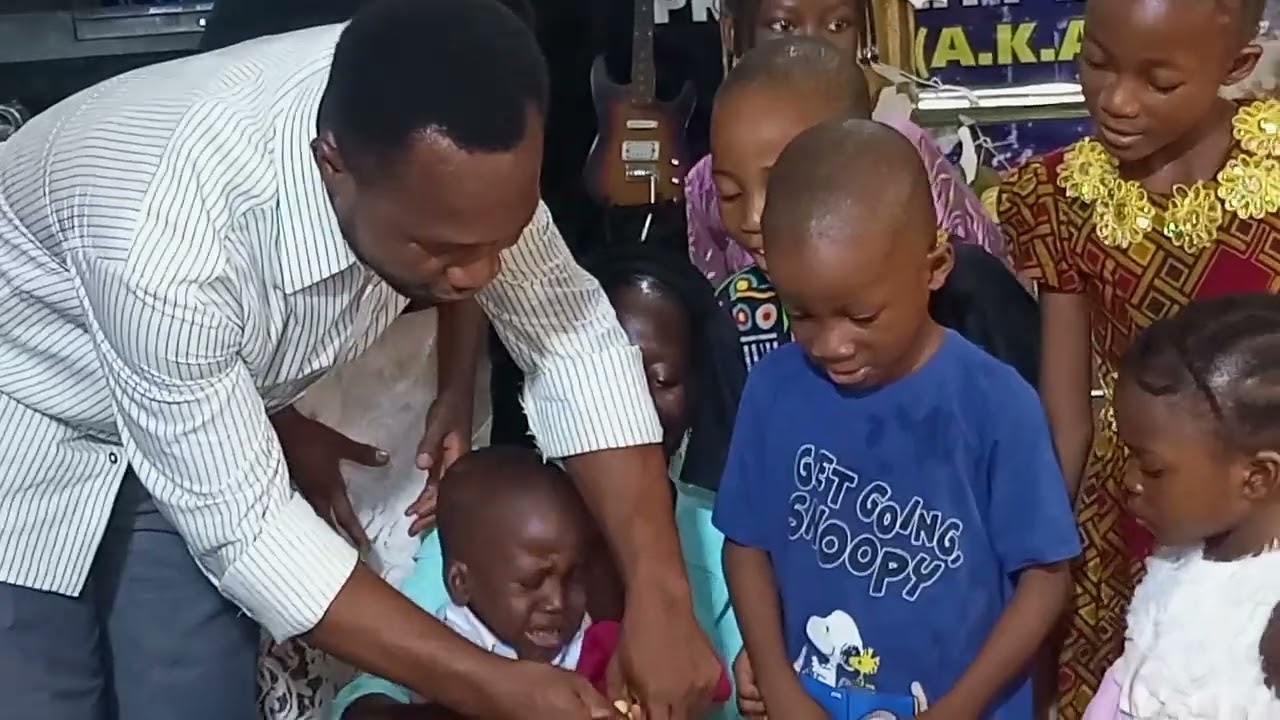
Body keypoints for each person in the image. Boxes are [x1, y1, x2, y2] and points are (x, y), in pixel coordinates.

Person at [0, 2, 721, 719]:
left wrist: (662, 599)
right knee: (42, 696)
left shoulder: (451, 141)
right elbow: (250, 532)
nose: (476, 277)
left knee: (190, 698)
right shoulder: (164, 240)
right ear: (333, 165)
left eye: (501, 239)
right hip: (26, 416)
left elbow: (575, 349)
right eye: (440, 250)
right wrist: (490, 685)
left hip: (185, 409)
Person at [716, 118, 1080, 719]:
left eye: (860, 315)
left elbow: (1044, 579)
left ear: (933, 267)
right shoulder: (775, 387)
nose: (831, 345)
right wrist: (778, 681)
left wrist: (959, 708)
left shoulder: (995, 402)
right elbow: (745, 545)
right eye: (802, 314)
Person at [996, 0, 1273, 714]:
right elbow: (1067, 415)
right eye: (1096, 62)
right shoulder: (1063, 197)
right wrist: (1041, 550)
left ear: (1236, 67)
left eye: (1159, 81)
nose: (1116, 100)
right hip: (1128, 509)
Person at [708, 37, 1040, 385]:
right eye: (729, 194)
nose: (752, 218)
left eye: (780, 185)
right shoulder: (737, 312)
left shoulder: (967, 291)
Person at [686, 0, 1002, 290]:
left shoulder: (903, 153)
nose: (811, 42)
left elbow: (982, 289)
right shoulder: (706, 185)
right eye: (784, 26)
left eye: (838, 25)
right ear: (734, 33)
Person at [1081, 293, 1280, 718]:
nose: (1129, 480)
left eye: (1152, 468)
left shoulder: (1265, 620)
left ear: (1256, 477)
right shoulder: (1182, 559)